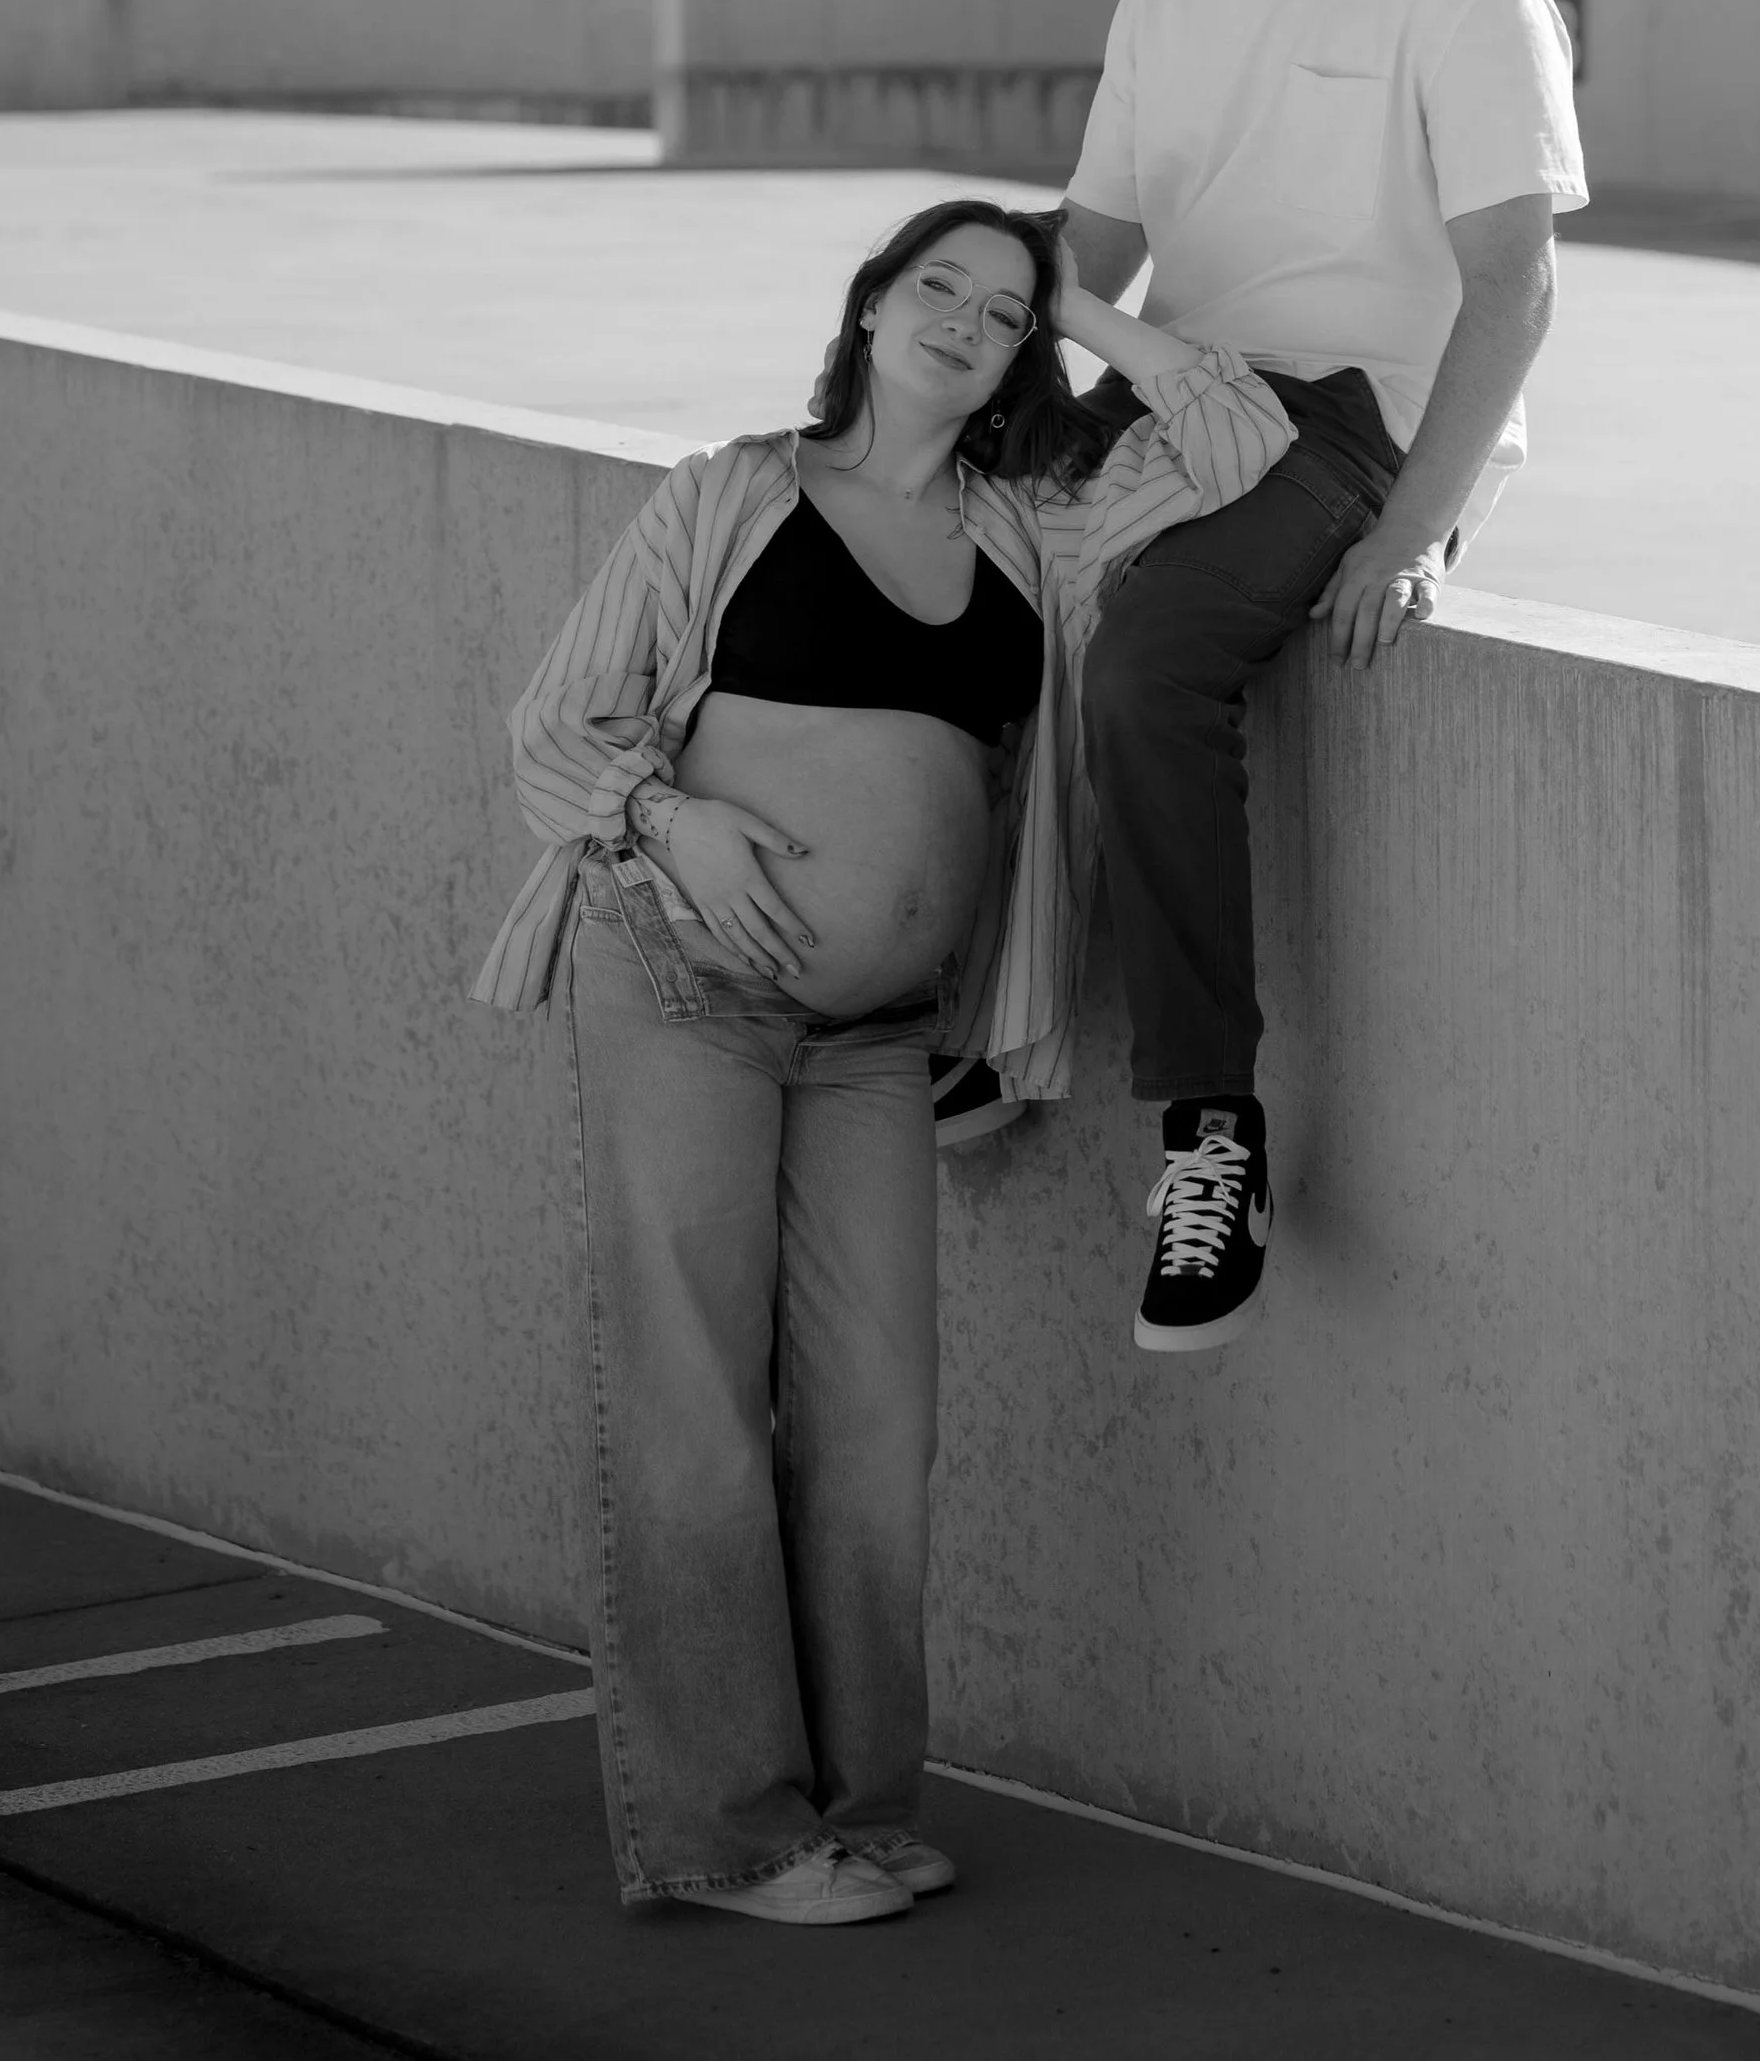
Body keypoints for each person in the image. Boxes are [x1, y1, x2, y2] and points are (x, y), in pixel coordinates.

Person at [471, 200, 1291, 1929]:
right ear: (867, 305)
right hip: (679, 975)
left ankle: (856, 1804)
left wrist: (1088, 307)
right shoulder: (731, 490)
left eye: (1003, 312)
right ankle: (731, 1834)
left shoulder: (1033, 528)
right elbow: (557, 718)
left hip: (875, 1039)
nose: (966, 322)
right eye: (940, 286)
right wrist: (673, 823)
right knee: (697, 1410)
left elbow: (1241, 443)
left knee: (878, 1420)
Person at [1058, 0, 1587, 1353]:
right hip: (1188, 385)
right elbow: (1091, 251)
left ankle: (1212, 1135)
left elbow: (1513, 289)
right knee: (932, 549)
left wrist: (1414, 529)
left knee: (1150, 655)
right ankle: (973, 1011)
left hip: (1361, 417)